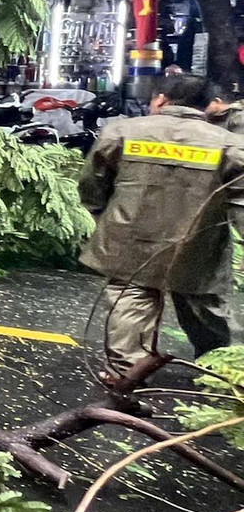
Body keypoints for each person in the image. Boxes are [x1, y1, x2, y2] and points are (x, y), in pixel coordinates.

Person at [83, 74, 243, 385]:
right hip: (197, 242)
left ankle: (126, 373)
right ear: (208, 106)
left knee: (130, 301)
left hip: (128, 236)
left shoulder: (122, 132)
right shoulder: (230, 145)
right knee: (205, 306)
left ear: (160, 99)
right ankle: (219, 371)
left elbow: (92, 183)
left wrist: (103, 215)